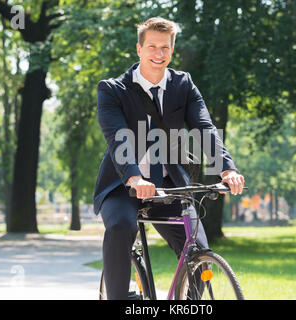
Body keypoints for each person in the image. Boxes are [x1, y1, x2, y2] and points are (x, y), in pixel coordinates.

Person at [93, 17, 245, 300]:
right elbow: (117, 137)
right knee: (121, 226)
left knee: (197, 252)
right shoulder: (113, 90)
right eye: (152, 46)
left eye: (165, 47)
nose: (159, 54)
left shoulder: (182, 85)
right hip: (122, 186)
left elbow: (204, 128)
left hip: (167, 184)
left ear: (172, 51)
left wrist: (226, 169)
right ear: (139, 49)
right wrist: (134, 176)